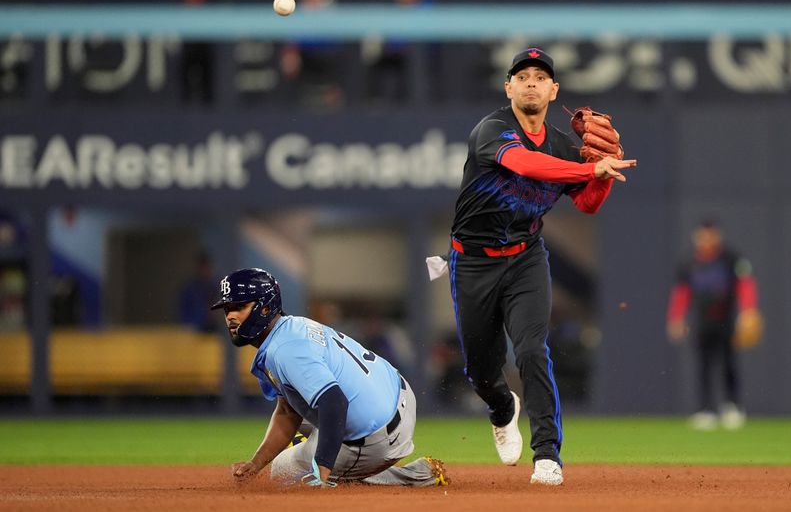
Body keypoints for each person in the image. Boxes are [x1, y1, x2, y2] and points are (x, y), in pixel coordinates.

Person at [447, 47, 636, 485]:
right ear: (508, 86)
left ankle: (547, 454)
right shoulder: (492, 129)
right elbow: (524, 163)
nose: (531, 81)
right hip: (472, 261)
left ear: (554, 90)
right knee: (481, 371)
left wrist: (600, 176)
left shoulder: (565, 145)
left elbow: (588, 206)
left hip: (525, 257)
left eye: (540, 76)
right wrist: (588, 171)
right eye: (522, 75)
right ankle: (501, 408)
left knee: (533, 349)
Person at [212, 268, 448, 488]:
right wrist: (256, 464)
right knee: (301, 410)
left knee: (284, 474)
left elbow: (334, 402)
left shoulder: (285, 350)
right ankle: (335, 457)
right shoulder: (292, 326)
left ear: (265, 307)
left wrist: (322, 469)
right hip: (397, 397)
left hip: (377, 436)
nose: (230, 316)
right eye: (227, 309)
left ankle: (413, 475)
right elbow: (288, 412)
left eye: (239, 306)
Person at [666, 220, 761, 430]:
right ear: (697, 237)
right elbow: (682, 292)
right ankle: (705, 410)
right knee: (703, 366)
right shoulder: (688, 262)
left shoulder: (730, 257)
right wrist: (676, 317)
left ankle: (732, 407)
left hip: (726, 319)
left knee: (728, 363)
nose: (706, 240)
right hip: (702, 321)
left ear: (718, 236)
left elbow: (746, 283)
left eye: (710, 235)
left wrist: (748, 310)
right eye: (702, 235)